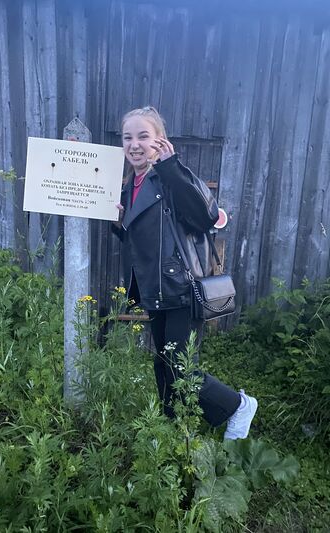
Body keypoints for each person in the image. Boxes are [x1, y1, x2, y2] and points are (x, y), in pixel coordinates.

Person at [113, 106, 257, 439]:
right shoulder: (129, 186)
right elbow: (145, 237)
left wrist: (171, 167)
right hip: (155, 288)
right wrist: (119, 224)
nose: (135, 144)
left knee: (181, 366)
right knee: (163, 363)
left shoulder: (171, 176)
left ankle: (238, 405)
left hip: (180, 286)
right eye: (128, 137)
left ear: (160, 140)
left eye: (143, 136)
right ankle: (172, 426)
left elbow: (206, 215)